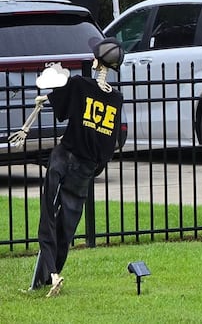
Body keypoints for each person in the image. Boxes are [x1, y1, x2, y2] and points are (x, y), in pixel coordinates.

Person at [11, 37, 125, 297]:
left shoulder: (79, 85)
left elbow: (59, 106)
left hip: (64, 156)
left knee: (48, 215)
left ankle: (48, 277)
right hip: (85, 167)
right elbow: (108, 145)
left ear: (96, 61)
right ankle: (48, 276)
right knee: (67, 226)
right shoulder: (116, 99)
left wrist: (52, 77)